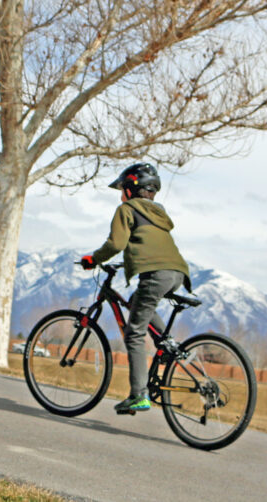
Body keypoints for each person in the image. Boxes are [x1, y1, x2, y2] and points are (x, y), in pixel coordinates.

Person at [79, 162, 191, 414]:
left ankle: (138, 395)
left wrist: (93, 259)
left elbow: (116, 243)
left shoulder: (126, 209)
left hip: (156, 274)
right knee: (137, 300)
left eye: (121, 189)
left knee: (134, 333)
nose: (120, 195)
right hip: (177, 273)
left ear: (130, 189)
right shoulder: (158, 213)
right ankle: (167, 343)